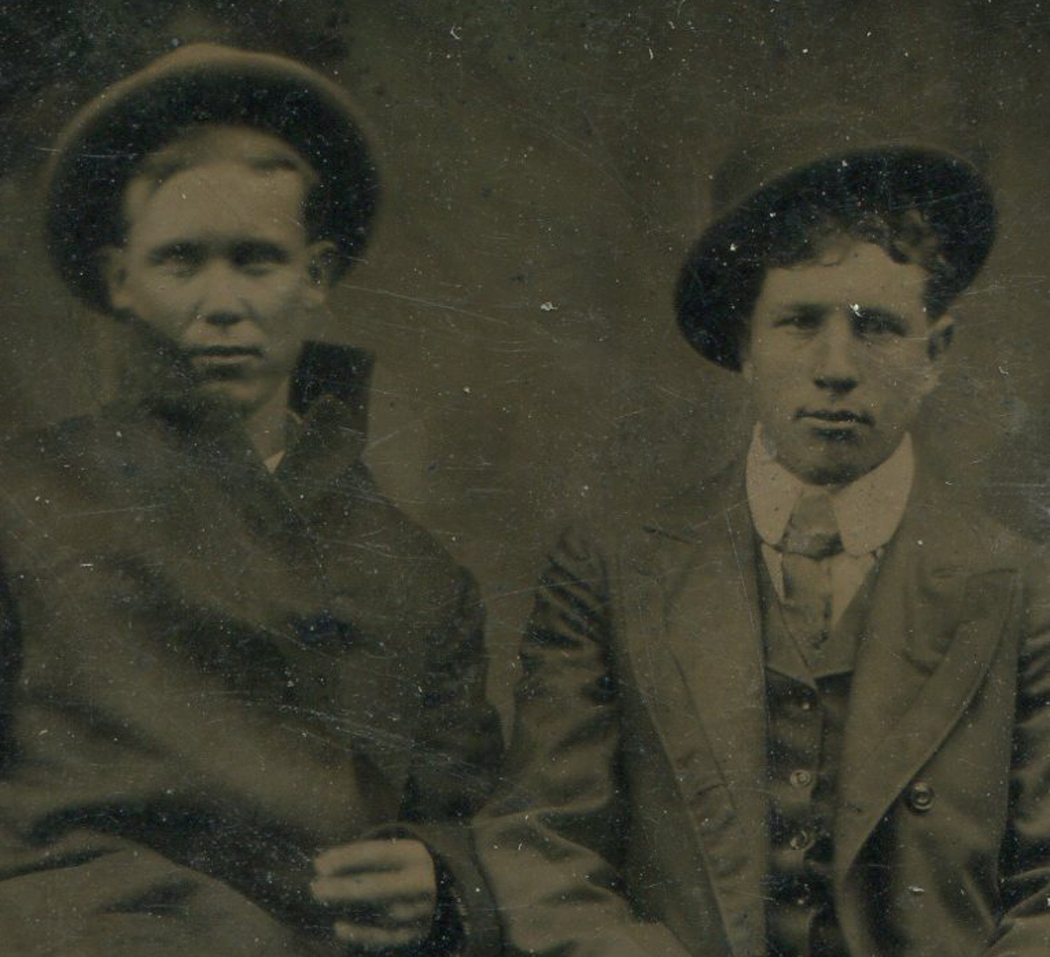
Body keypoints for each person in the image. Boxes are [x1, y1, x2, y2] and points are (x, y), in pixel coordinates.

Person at [472, 140, 1050, 956]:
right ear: (745, 343)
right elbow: (544, 844)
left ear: (936, 352)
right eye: (800, 322)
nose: (836, 368)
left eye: (877, 326)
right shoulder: (612, 565)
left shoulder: (1024, 589)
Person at [0, 44, 502, 957]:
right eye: (181, 261)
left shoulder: (419, 576)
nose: (222, 302)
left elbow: (476, 820)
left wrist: (441, 876)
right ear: (120, 280)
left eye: (257, 260)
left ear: (315, 277)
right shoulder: (21, 502)